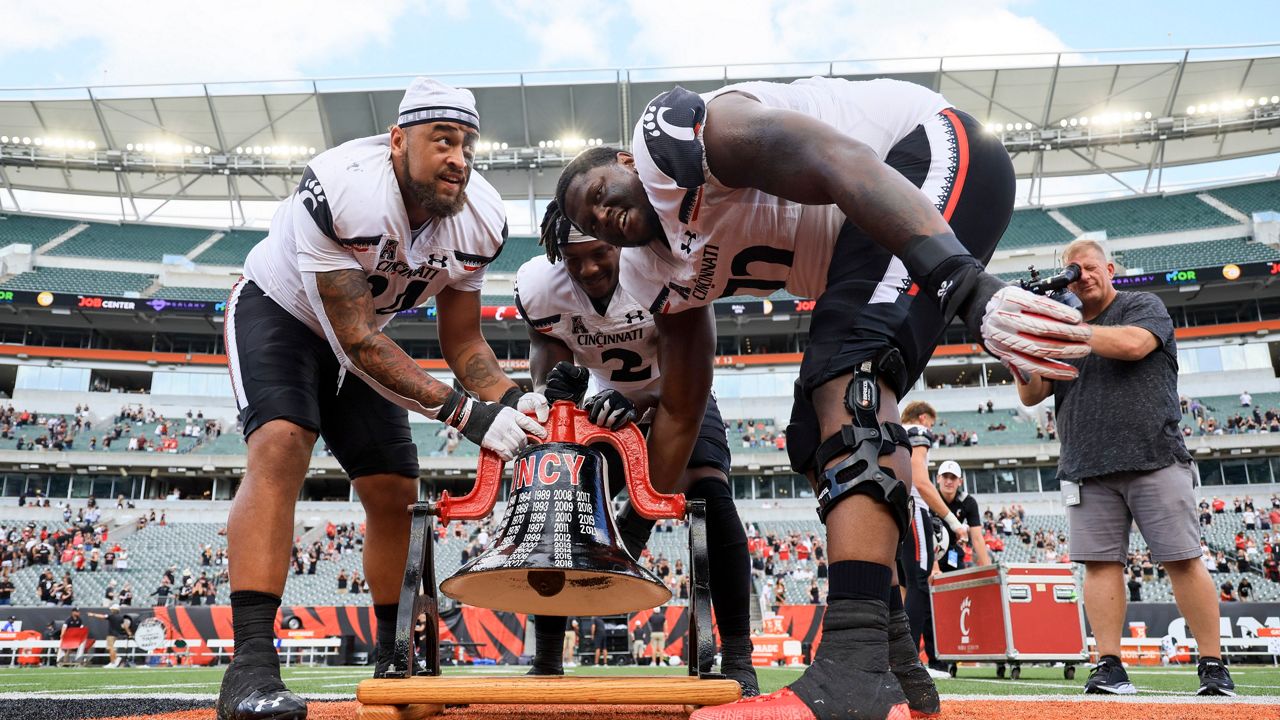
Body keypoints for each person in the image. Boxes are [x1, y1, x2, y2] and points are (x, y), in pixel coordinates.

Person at [545, 76, 1089, 719]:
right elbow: (685, 407)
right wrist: (638, 518)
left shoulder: (686, 136)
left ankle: (853, 669)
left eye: (600, 194)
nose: (603, 217)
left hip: (923, 157)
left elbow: (839, 160)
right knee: (812, 435)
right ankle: (894, 659)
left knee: (850, 380)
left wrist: (963, 284)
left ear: (627, 159)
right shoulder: (649, 272)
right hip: (864, 241)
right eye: (589, 222)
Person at [216, 77, 551, 720]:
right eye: (443, 140)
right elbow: (357, 341)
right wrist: (467, 414)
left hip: (367, 336)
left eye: (468, 144)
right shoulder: (342, 186)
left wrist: (513, 399)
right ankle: (251, 665)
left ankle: (397, 655)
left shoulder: (481, 217)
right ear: (398, 140)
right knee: (282, 443)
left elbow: (464, 342)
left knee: (396, 489)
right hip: (282, 314)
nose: (459, 158)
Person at [516, 219, 757, 694]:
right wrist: (554, 388)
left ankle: (738, 655)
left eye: (598, 253)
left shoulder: (660, 267)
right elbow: (546, 361)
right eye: (573, 258)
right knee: (559, 502)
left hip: (679, 391)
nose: (588, 268)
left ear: (619, 244)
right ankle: (547, 655)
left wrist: (641, 401)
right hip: (604, 401)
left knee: (709, 493)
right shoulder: (542, 287)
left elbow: (691, 364)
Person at [1013, 238, 1234, 697]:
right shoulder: (1064, 326)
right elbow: (1032, 394)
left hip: (1153, 455)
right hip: (1086, 462)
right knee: (1098, 566)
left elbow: (1133, 345)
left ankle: (1213, 664)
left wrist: (1068, 327)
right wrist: (1017, 347)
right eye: (1072, 271)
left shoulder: (1141, 305)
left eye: (1089, 267)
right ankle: (1109, 664)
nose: (1081, 277)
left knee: (1182, 559)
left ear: (1110, 269)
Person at [898, 402, 963, 679]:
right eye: (931, 424)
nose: (930, 429)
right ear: (923, 418)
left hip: (896, 512)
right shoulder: (917, 431)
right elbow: (921, 482)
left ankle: (900, 657)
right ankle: (909, 661)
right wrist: (952, 521)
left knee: (905, 586)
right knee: (919, 583)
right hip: (913, 509)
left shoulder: (895, 432)